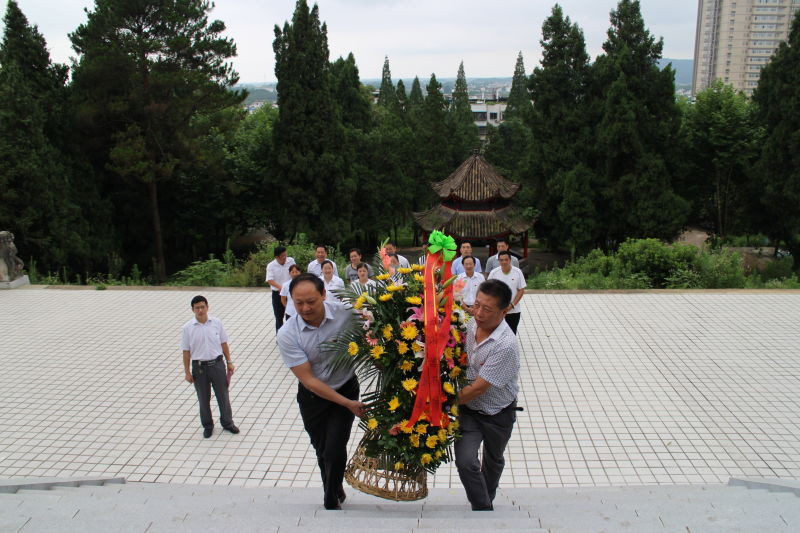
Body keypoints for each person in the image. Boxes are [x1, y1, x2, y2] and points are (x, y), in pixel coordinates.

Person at [277, 274, 366, 510]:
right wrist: (348, 404)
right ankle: (335, 487)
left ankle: (330, 499)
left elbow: (373, 332)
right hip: (313, 397)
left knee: (335, 448)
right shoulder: (287, 333)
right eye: (299, 303)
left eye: (311, 301)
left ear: (324, 295)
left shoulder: (346, 314)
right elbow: (308, 380)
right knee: (322, 449)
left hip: (345, 386)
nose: (305, 308)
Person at [455, 280, 520, 511]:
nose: (478, 313)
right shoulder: (472, 324)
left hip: (498, 412)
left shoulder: (506, 345)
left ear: (504, 312)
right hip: (470, 411)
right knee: (465, 461)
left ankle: (486, 498)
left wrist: (440, 402)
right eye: (477, 305)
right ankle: (482, 507)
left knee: (493, 461)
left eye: (487, 309)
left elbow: (478, 388)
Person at [181, 295, 240, 439]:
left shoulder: (216, 323)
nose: (200, 310)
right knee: (203, 398)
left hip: (217, 365)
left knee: (223, 396)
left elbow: (224, 343)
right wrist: (187, 372)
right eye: (197, 308)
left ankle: (227, 422)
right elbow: (186, 351)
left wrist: (229, 361)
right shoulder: (187, 328)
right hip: (199, 368)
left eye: (202, 307)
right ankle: (207, 425)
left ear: (207, 307)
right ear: (193, 310)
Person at [487, 251, 526, 334]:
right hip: (497, 311)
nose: (504, 262)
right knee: (496, 334)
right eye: (501, 260)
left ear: (510, 260)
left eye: (506, 259)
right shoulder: (494, 273)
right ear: (499, 261)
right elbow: (489, 291)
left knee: (512, 333)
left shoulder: (518, 272)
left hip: (513, 311)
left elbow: (521, 290)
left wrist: (512, 305)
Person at [266, 246, 296, 332]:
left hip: (291, 293)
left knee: (291, 315)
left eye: (286, 255)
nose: (285, 257)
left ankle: (291, 335)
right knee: (279, 317)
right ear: (277, 257)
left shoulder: (291, 261)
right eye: (283, 256)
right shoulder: (271, 266)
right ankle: (280, 337)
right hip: (277, 294)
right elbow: (269, 280)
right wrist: (282, 288)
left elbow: (295, 272)